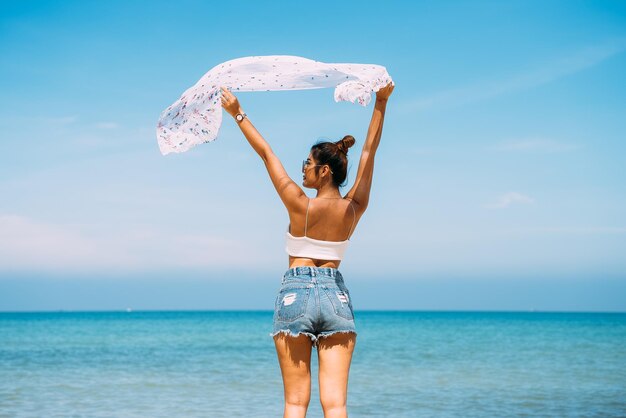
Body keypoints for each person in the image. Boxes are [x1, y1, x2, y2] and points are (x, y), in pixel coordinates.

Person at [220, 81, 394, 418]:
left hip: (295, 294)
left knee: (296, 403)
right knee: (336, 405)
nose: (302, 167)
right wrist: (382, 101)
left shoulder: (299, 205)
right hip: (335, 297)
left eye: (308, 162)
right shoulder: (353, 208)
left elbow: (266, 153)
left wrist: (237, 113)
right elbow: (370, 152)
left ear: (324, 170)